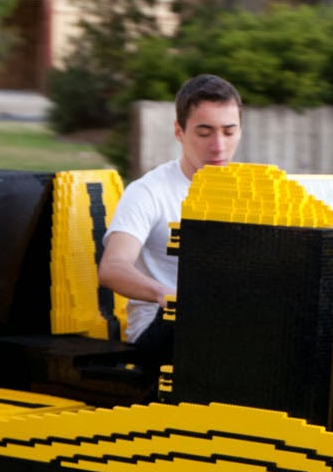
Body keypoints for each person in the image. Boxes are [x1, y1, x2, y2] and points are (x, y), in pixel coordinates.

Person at [98, 74, 242, 362]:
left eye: (228, 132)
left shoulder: (251, 191)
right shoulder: (148, 191)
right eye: (204, 133)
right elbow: (112, 268)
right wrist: (167, 294)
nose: (218, 146)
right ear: (179, 132)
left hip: (226, 323)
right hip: (161, 330)